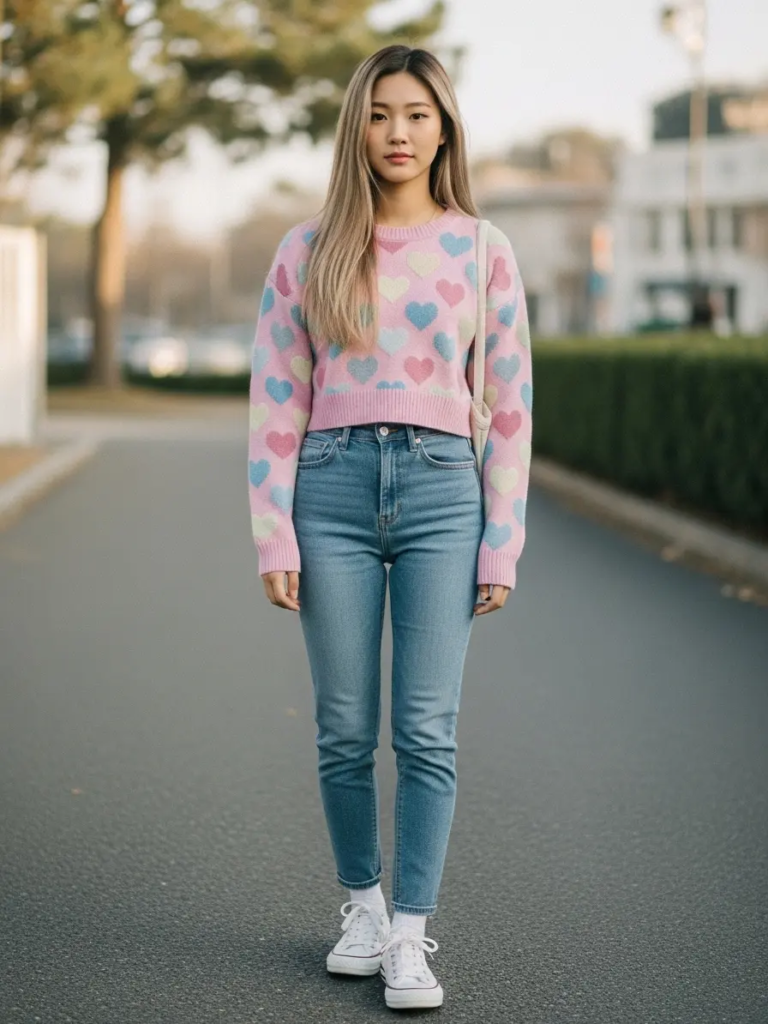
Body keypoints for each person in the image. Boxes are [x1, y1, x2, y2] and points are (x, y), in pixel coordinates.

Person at [247, 43, 533, 1011]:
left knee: (426, 729)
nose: (397, 132)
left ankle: (412, 930)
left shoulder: (483, 248)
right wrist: (272, 531)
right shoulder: (309, 248)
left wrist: (503, 537)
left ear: (443, 125)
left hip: (443, 493)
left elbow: (506, 405)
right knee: (343, 727)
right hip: (327, 490)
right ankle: (362, 907)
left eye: (415, 113)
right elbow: (275, 397)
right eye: (379, 114)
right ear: (355, 129)